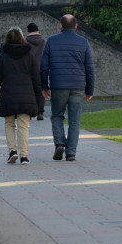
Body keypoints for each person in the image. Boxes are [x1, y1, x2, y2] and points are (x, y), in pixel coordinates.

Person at [40, 14, 95, 162]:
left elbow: (44, 66)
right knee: (74, 120)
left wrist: (44, 86)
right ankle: (71, 153)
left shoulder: (51, 41)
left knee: (57, 115)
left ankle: (59, 143)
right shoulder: (83, 42)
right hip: (78, 86)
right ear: (76, 26)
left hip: (58, 86)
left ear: (61, 25)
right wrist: (90, 90)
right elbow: (89, 68)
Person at [0, 28, 45, 165]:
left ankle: (12, 152)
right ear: (22, 39)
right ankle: (24, 156)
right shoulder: (29, 55)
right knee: (23, 126)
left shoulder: (3, 56)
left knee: (9, 124)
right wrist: (39, 102)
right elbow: (36, 80)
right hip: (26, 96)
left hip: (8, 95)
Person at [25, 22, 46, 120]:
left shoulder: (25, 42)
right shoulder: (44, 41)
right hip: (41, 70)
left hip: (29, 71)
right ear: (38, 30)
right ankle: (40, 112)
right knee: (40, 91)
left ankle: (30, 112)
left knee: (29, 92)